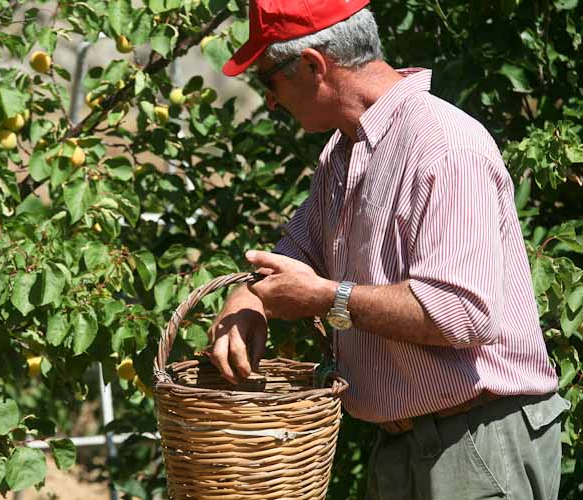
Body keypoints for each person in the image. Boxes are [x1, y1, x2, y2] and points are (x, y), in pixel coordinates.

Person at [206, 1, 570, 499]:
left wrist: (328, 299)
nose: (269, 101)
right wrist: (249, 299)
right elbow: (298, 251)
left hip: (477, 440)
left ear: (314, 65)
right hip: (407, 442)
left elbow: (461, 315)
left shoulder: (443, 144)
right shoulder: (344, 150)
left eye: (268, 80)